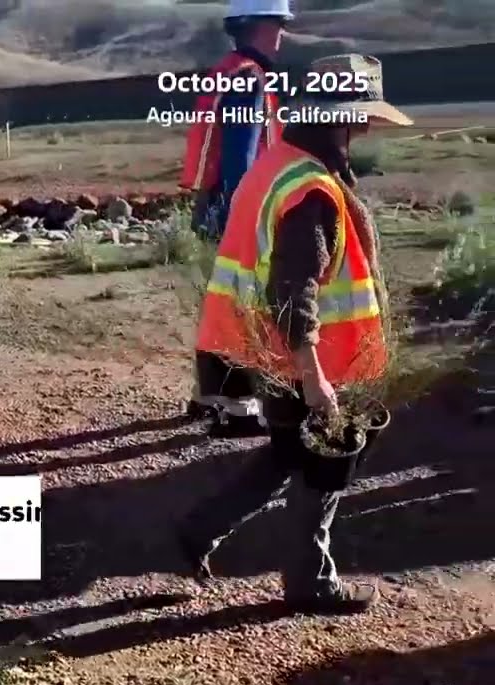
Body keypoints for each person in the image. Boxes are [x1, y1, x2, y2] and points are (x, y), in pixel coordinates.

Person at [177, 54, 412, 614]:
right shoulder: (313, 193)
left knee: (287, 452)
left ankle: (199, 528)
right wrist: (316, 380)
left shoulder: (277, 162)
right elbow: (292, 294)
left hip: (269, 354)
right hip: (315, 363)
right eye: (359, 119)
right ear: (340, 119)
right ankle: (311, 583)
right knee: (329, 461)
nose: (362, 130)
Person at [179, 0, 292, 437]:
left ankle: (207, 398)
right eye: (278, 25)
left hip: (213, 204)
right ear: (258, 27)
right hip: (233, 206)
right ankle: (239, 410)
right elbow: (240, 157)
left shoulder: (226, 68)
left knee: (219, 304)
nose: (281, 35)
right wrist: (244, 217)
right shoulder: (249, 78)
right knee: (243, 307)